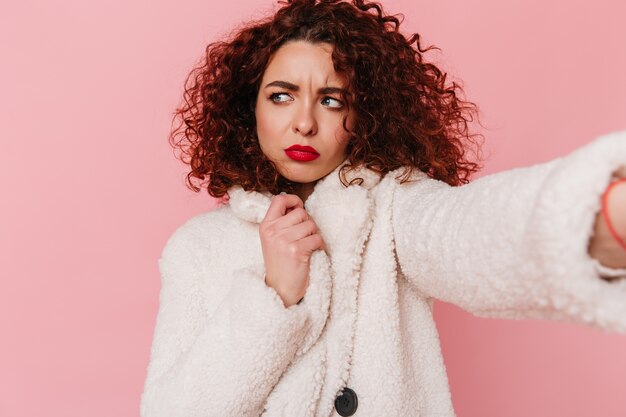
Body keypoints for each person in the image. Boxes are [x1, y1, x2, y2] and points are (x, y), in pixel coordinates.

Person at [140, 0, 626, 416]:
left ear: (365, 116)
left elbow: (470, 235)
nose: (304, 122)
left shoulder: (394, 207)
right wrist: (274, 297)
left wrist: (597, 213)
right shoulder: (197, 249)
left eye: (331, 100)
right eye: (282, 96)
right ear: (249, 109)